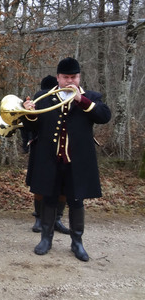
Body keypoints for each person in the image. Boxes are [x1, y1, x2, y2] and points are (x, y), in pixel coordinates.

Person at [22, 57, 111, 262]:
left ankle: (77, 242)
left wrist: (82, 101)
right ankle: (46, 238)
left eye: (74, 77)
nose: (70, 81)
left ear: (79, 77)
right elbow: (30, 127)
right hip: (50, 160)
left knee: (76, 201)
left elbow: (104, 116)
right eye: (66, 77)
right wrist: (29, 113)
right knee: (49, 198)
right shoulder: (43, 96)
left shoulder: (91, 96)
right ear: (58, 77)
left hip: (77, 161)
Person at [28, 75, 71, 235]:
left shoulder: (74, 98)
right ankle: (39, 217)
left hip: (65, 150)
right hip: (43, 147)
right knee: (39, 184)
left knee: (63, 188)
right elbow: (32, 124)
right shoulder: (41, 97)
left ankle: (57, 219)